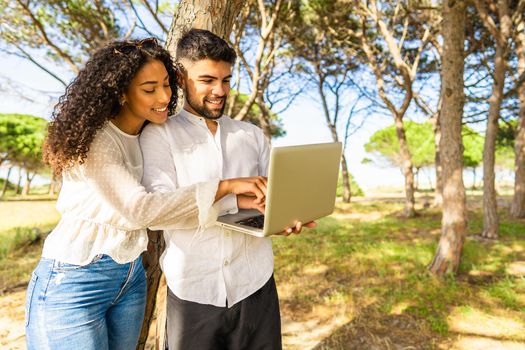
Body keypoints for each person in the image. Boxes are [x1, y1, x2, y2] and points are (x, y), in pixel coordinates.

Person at [25, 37, 268, 350]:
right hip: (75, 277)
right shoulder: (98, 142)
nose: (165, 96)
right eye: (149, 89)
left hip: (130, 277)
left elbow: (174, 198)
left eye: (166, 84)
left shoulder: (144, 134)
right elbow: (140, 209)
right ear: (122, 93)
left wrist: (256, 204)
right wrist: (227, 185)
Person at [140, 29, 315, 350]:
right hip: (194, 288)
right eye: (207, 80)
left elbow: (268, 199)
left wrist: (282, 218)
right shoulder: (158, 135)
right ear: (179, 76)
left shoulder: (251, 136)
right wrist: (228, 191)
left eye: (226, 80)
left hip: (256, 284)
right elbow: (158, 210)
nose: (219, 91)